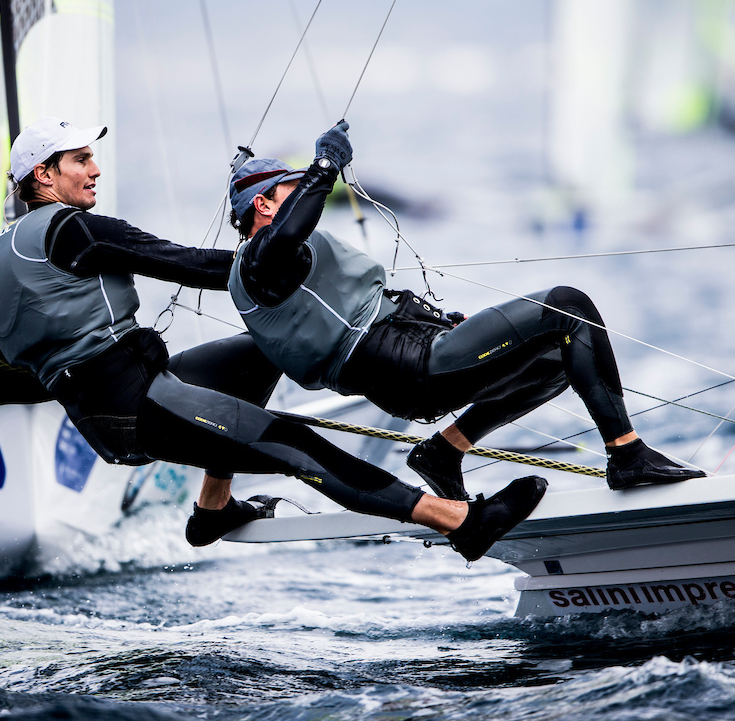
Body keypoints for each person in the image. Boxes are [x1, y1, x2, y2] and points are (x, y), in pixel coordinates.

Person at [0, 116, 547, 561]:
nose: (95, 169)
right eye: (80, 160)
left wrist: (75, 366)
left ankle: (214, 510)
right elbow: (192, 265)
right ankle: (463, 523)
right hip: (139, 401)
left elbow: (7, 386)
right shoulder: (71, 227)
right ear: (44, 177)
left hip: (109, 406)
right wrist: (273, 266)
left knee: (257, 354)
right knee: (299, 447)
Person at [226, 121, 706, 500]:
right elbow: (289, 232)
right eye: (290, 189)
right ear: (264, 205)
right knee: (567, 306)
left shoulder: (268, 264)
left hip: (411, 358)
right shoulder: (265, 254)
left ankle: (443, 453)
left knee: (557, 362)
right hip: (407, 365)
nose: (308, 197)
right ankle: (627, 455)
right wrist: (324, 166)